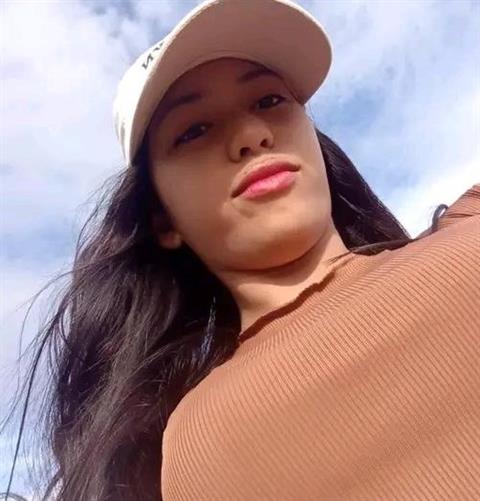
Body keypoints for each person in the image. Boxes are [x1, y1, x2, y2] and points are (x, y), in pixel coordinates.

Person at [4, 0, 479, 500]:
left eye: (269, 100)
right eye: (194, 131)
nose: (252, 136)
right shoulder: (185, 452)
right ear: (163, 219)